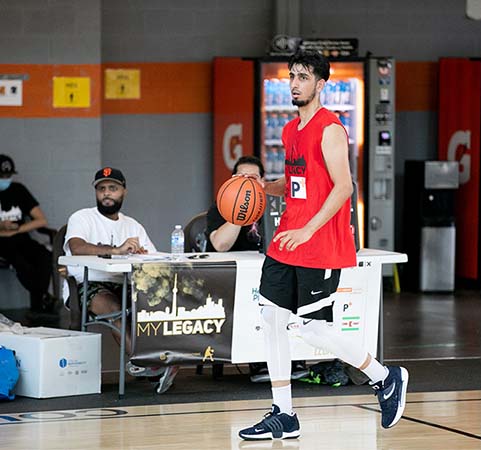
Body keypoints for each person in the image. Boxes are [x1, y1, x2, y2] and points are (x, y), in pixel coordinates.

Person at [238, 51, 408, 441]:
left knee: (312, 329)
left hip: (319, 241)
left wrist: (309, 230)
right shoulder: (289, 130)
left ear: (321, 84)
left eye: (303, 77)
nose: (295, 83)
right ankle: (284, 413)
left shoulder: (330, 127)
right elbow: (299, 182)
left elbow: (344, 186)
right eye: (291, 76)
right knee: (272, 320)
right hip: (288, 239)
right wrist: (268, 187)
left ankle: (385, 377)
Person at [63, 167, 178, 394]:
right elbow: (76, 247)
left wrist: (140, 253)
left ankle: (160, 364)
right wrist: (116, 250)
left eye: (113, 188)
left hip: (126, 281)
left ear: (123, 191)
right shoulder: (81, 217)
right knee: (115, 309)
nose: (107, 193)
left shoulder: (133, 225)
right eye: (102, 189)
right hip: (89, 282)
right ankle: (150, 362)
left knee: (158, 301)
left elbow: (152, 258)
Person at [206, 155, 309, 383]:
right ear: (232, 179)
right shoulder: (222, 205)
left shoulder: (277, 204)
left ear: (263, 180)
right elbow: (220, 245)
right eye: (241, 177)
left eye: (252, 178)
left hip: (273, 270)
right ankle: (258, 361)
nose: (247, 181)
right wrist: (239, 205)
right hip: (237, 280)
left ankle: (296, 356)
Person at [0, 154, 53, 313]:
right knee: (19, 261)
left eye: (8, 175)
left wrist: (17, 229)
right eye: (1, 176)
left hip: (20, 237)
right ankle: (43, 299)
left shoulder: (18, 190)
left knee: (43, 255)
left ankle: (40, 302)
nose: (5, 179)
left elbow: (41, 220)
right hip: (1, 242)